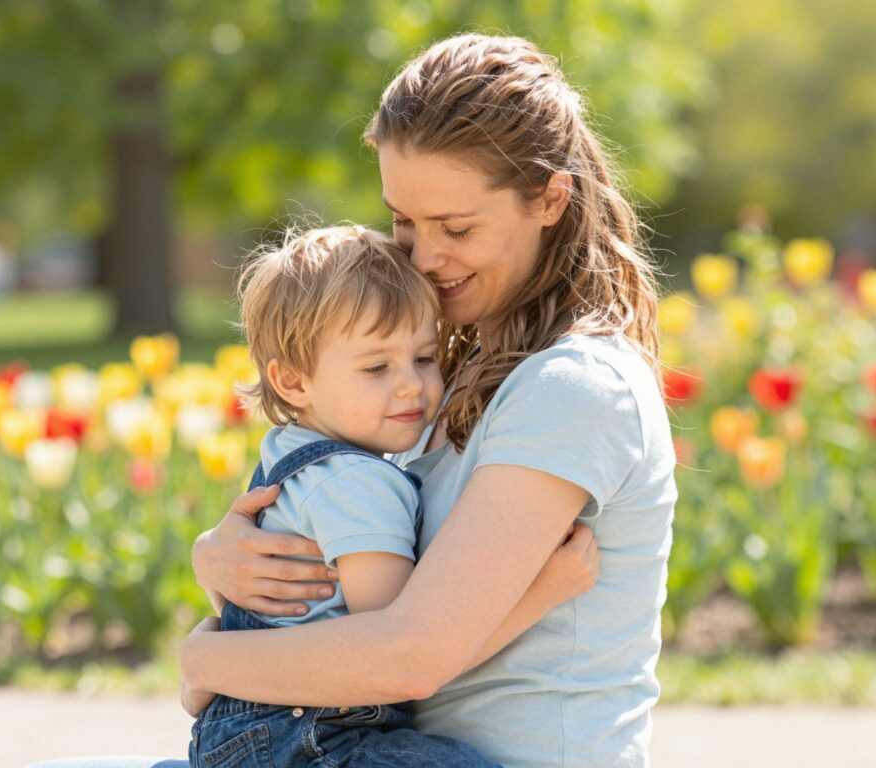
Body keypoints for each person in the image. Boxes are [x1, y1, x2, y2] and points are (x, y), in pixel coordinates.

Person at [30, 32, 676, 768]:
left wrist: (206, 662)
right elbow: (349, 596)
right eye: (403, 221)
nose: (423, 258)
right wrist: (227, 565)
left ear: (550, 198)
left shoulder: (573, 386)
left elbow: (408, 654)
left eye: (456, 227)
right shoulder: (442, 377)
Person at [191, 223, 593, 768]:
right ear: (293, 382)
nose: (410, 385)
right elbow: (402, 651)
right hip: (314, 740)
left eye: (424, 359)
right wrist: (544, 591)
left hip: (258, 735)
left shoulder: (290, 451)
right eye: (377, 367)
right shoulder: (355, 482)